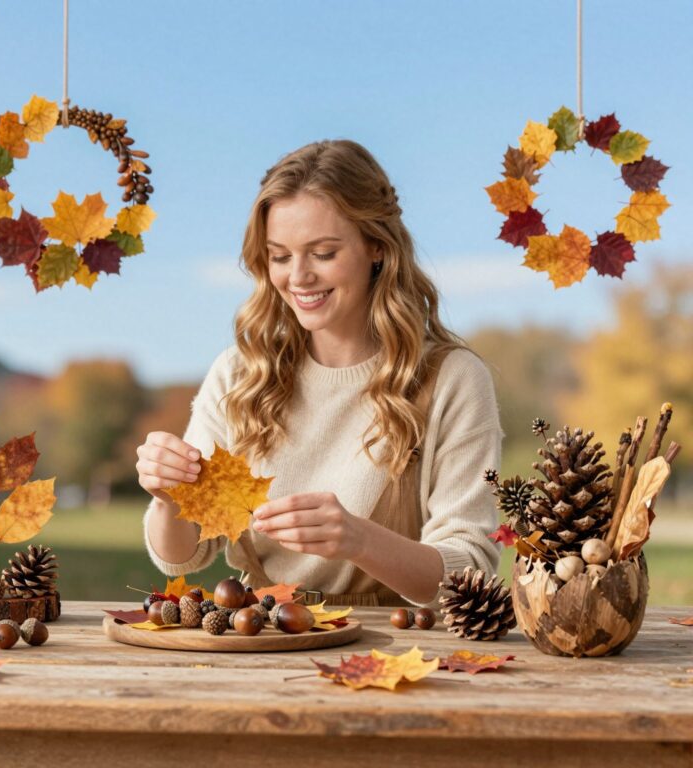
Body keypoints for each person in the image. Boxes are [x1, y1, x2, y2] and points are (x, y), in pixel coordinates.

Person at [136, 139, 501, 607]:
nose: (298, 277)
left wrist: (359, 540)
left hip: (394, 647)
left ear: (377, 247)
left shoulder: (451, 380)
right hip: (261, 635)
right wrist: (170, 500)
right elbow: (183, 557)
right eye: (280, 256)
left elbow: (469, 569)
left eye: (323, 253)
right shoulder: (240, 373)